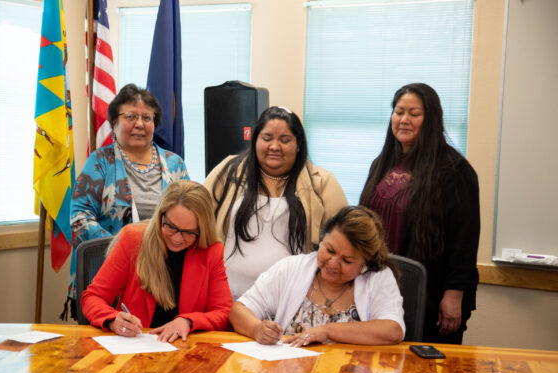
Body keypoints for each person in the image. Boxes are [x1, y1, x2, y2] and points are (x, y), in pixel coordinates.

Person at [359, 83, 480, 344]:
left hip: (429, 293)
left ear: (431, 119)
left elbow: (465, 241)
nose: (404, 120)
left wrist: (454, 294)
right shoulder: (381, 164)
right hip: (379, 288)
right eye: (399, 111)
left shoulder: (455, 170)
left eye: (414, 113)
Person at [66, 84, 189, 317]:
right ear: (114, 123)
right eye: (131, 116)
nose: (140, 124)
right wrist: (124, 248)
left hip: (163, 274)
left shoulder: (175, 164)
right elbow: (79, 217)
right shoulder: (101, 162)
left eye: (147, 117)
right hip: (108, 271)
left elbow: (191, 214)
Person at [204, 106, 348, 300]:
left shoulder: (321, 182)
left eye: (285, 140)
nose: (274, 147)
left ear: (298, 144)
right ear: (255, 141)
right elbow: (197, 213)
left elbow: (345, 236)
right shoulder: (229, 170)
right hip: (227, 297)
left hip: (292, 300)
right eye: (267, 138)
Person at [229, 206, 404, 346]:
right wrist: (257, 329)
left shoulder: (378, 277)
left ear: (365, 264)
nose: (333, 263)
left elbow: (393, 330)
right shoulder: (292, 268)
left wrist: (327, 331)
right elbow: (239, 311)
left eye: (347, 261)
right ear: (321, 241)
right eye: (329, 250)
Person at [81, 180, 232, 340]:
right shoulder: (132, 241)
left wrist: (188, 321)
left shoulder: (211, 251)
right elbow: (92, 298)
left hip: (187, 349)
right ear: (160, 216)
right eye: (171, 227)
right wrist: (112, 319)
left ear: (202, 230)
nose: (177, 238)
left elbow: (224, 313)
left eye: (188, 232)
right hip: (136, 348)